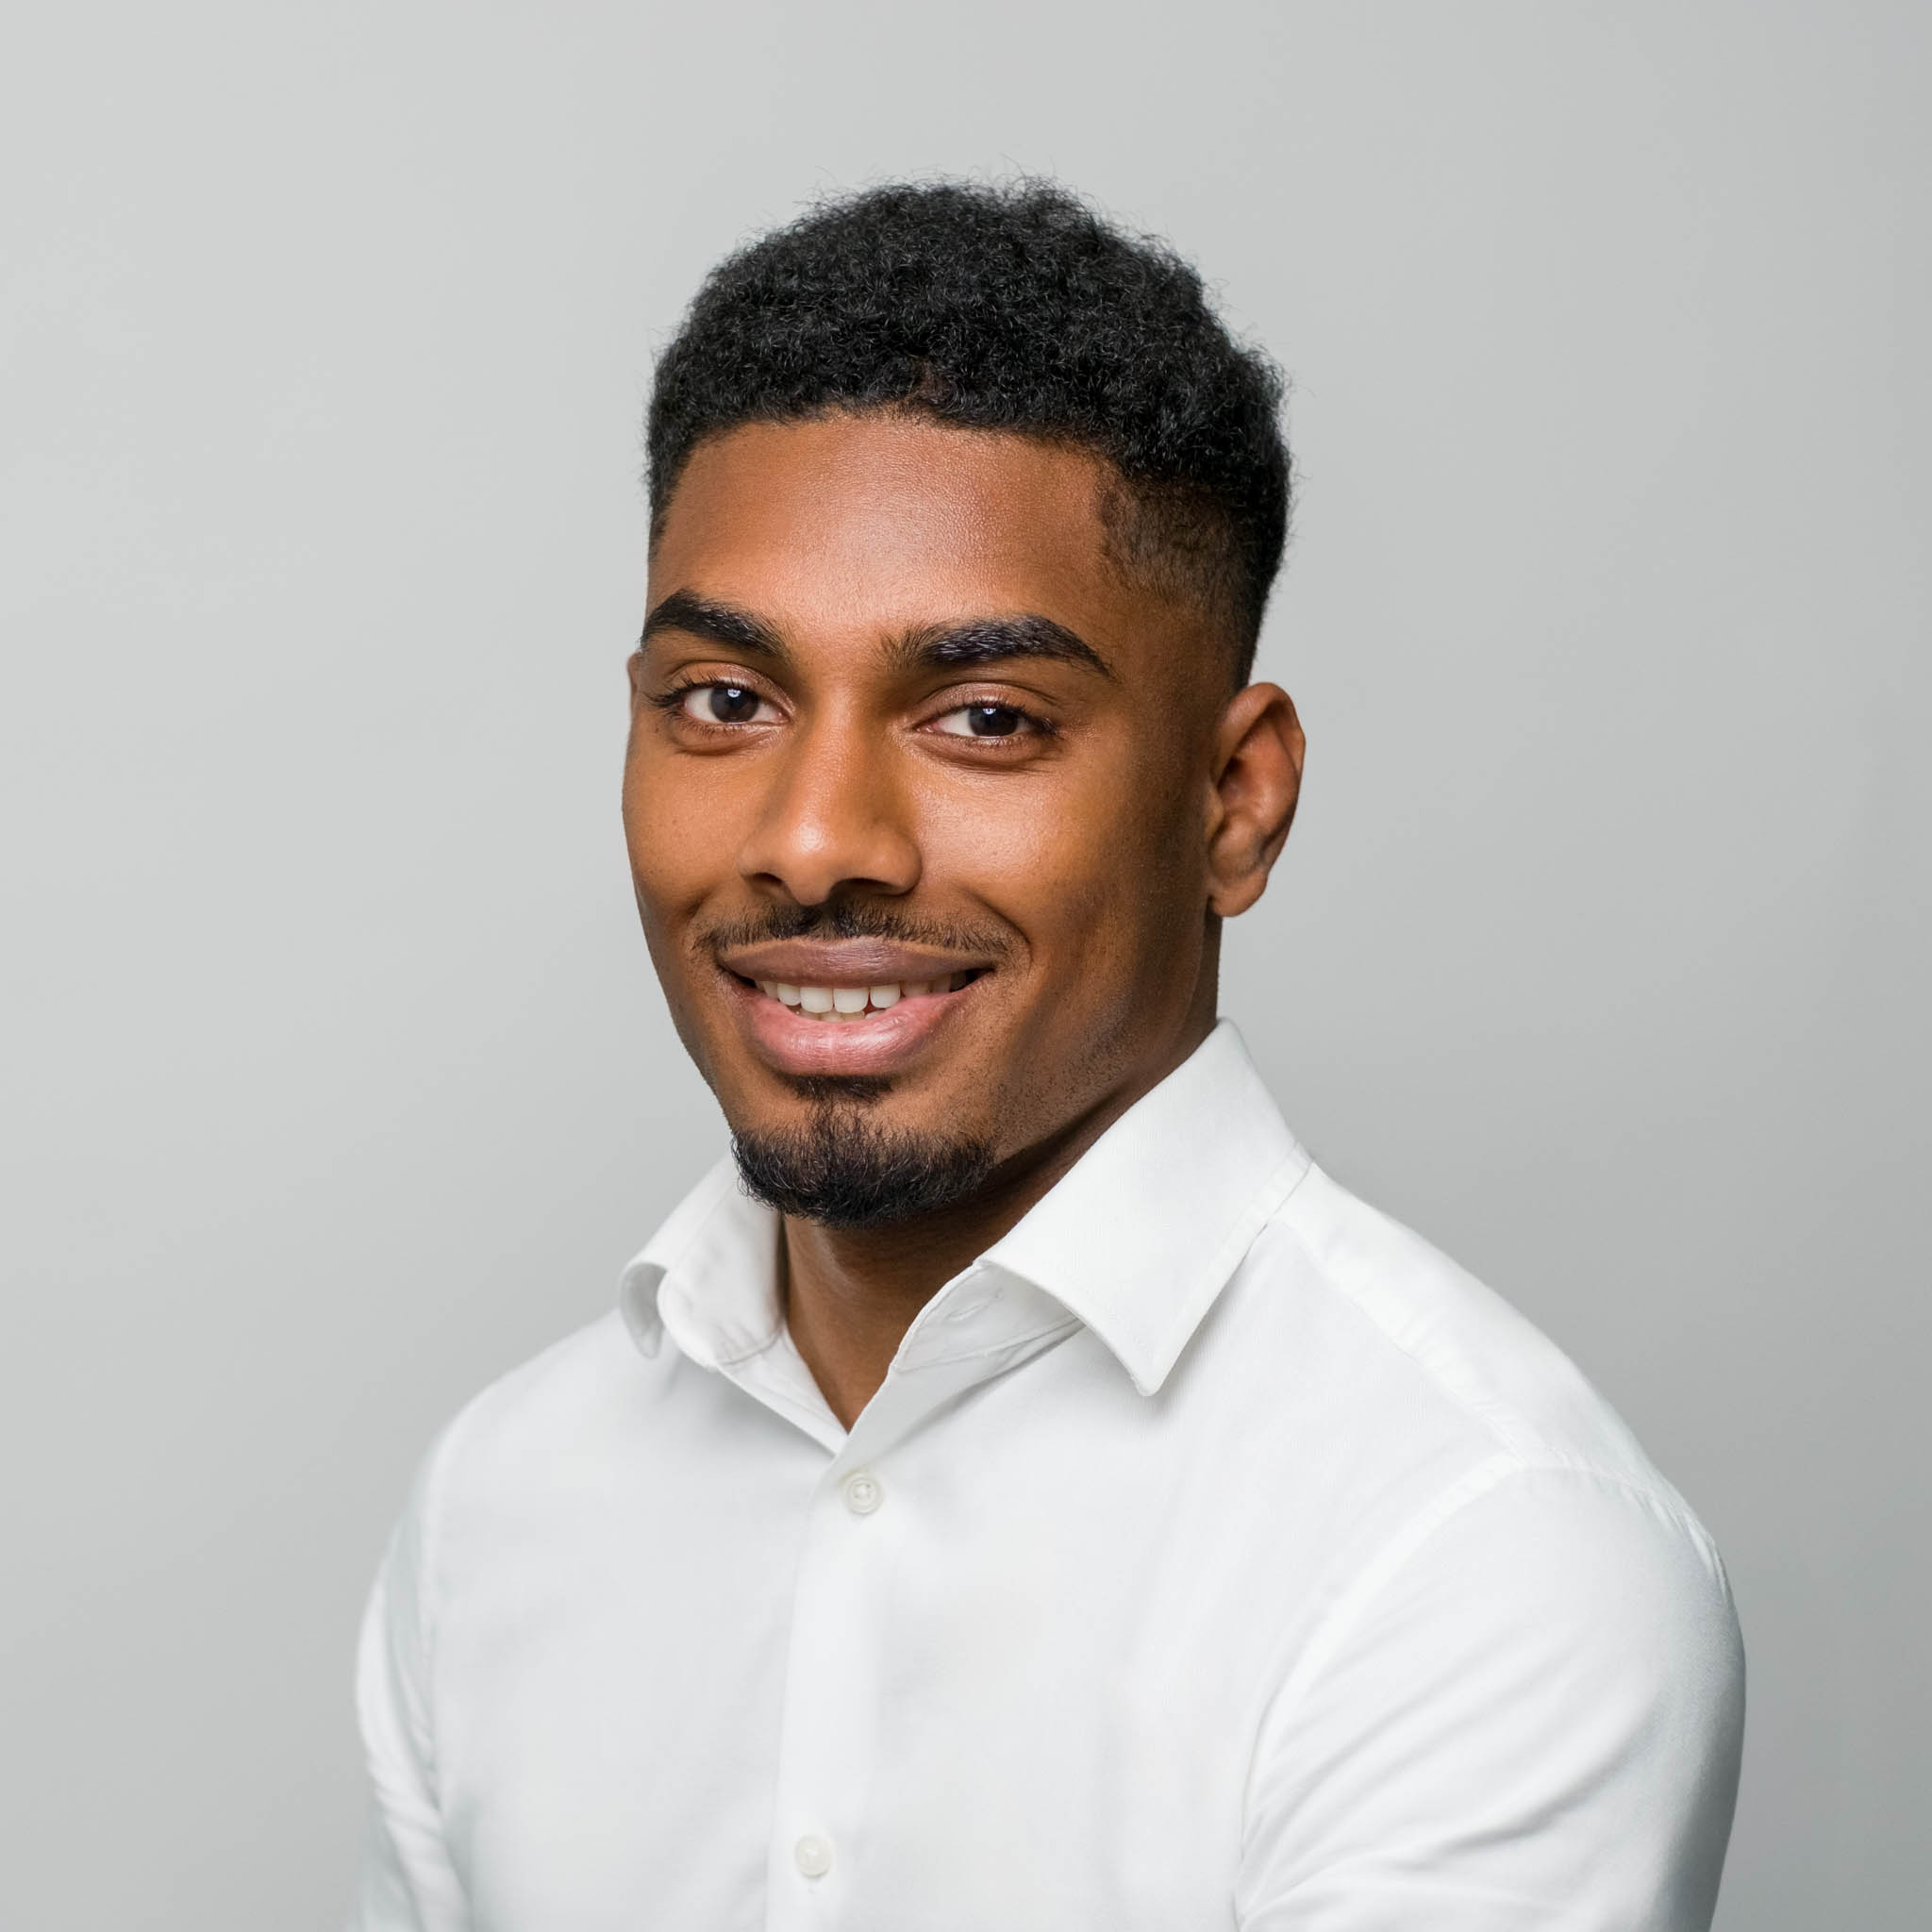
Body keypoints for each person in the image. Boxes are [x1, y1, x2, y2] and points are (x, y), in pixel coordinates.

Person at [349, 180, 1744, 1930]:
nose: (813, 840)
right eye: (725, 700)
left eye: (985, 718)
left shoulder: (1477, 1548)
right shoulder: (499, 1508)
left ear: (1234, 801)